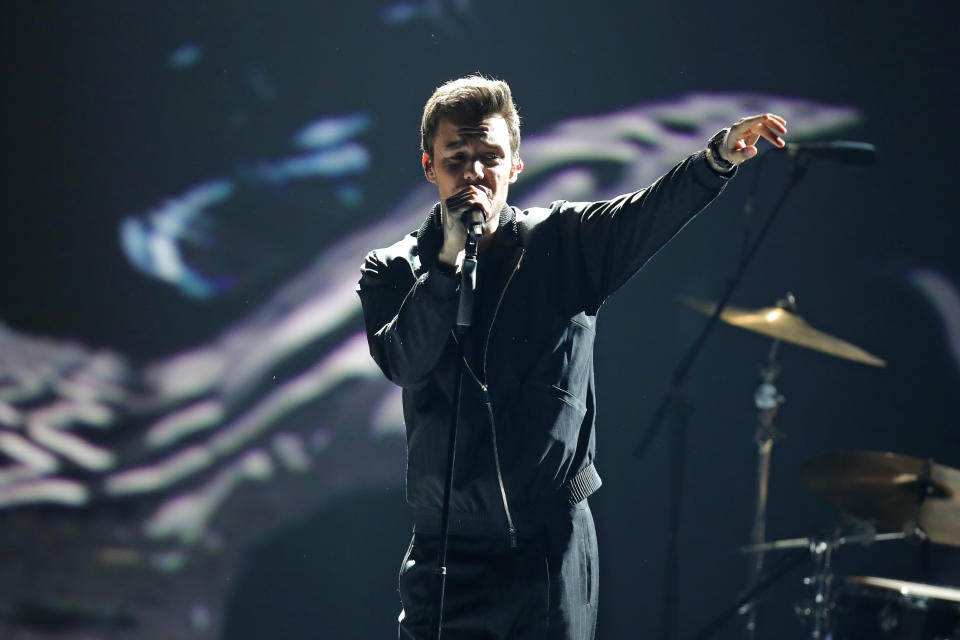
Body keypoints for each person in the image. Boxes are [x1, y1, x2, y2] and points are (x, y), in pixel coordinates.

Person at [357, 75, 787, 640]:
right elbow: (404, 362)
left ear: (515, 166)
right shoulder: (393, 269)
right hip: (447, 555)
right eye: (456, 157)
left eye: (489, 156)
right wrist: (444, 267)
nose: (473, 173)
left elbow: (646, 214)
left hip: (551, 551)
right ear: (429, 167)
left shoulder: (561, 242)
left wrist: (714, 162)